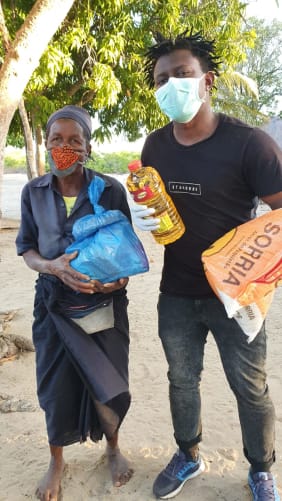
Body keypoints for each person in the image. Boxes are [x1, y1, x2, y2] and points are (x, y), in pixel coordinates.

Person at [130, 31, 282, 500]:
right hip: (176, 291)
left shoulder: (249, 144)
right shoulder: (155, 147)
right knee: (181, 380)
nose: (171, 84)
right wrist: (145, 215)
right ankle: (188, 455)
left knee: (250, 387)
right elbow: (160, 209)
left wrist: (255, 273)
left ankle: (260, 469)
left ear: (207, 80)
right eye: (161, 79)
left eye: (182, 74)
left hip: (236, 296)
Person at [16, 105, 133, 501]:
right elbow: (28, 251)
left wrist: (114, 280)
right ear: (46, 144)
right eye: (56, 140)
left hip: (105, 306)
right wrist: (52, 267)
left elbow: (128, 253)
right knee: (54, 387)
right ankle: (56, 460)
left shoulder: (111, 190)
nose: (64, 148)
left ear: (87, 147)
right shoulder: (33, 192)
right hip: (53, 307)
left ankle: (113, 449)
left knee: (108, 382)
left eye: (74, 141)